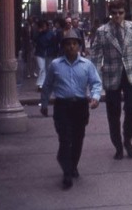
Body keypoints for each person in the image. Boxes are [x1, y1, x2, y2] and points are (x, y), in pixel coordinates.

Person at [40, 29, 102, 190]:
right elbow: (47, 86)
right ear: (63, 46)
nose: (71, 47)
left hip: (80, 106)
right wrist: (44, 104)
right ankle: (67, 173)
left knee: (78, 139)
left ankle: (73, 165)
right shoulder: (55, 65)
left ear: (79, 46)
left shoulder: (87, 65)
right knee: (65, 139)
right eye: (68, 44)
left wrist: (95, 97)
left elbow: (95, 83)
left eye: (74, 43)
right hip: (62, 106)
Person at [91, 0, 132, 159]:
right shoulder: (102, 31)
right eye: (114, 13)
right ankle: (117, 145)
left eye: (120, 13)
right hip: (111, 75)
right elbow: (95, 56)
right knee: (113, 114)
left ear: (125, 13)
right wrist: (94, 78)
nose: (117, 16)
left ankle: (128, 139)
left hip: (131, 75)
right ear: (110, 13)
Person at [33, 18, 57, 91]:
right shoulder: (38, 33)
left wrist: (53, 52)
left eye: (45, 26)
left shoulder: (51, 34)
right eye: (42, 26)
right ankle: (41, 84)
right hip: (40, 53)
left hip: (48, 53)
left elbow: (54, 44)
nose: (44, 28)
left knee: (48, 68)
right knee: (42, 68)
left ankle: (46, 83)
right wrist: (38, 33)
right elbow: (34, 40)